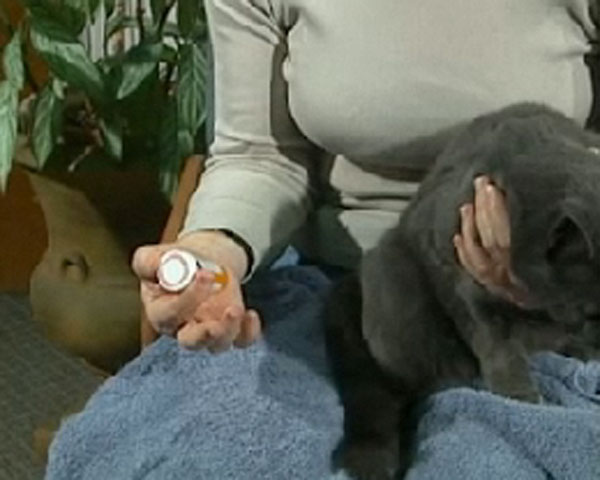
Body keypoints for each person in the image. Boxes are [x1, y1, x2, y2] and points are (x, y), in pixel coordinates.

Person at [45, 1, 600, 479]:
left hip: (557, 304)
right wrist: (211, 254)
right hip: (341, 292)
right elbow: (260, 155)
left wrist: (546, 265)